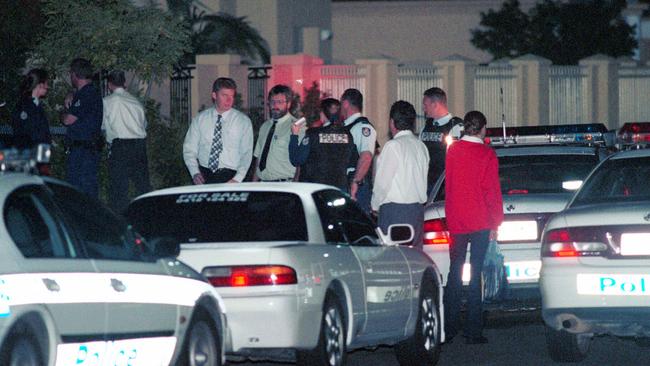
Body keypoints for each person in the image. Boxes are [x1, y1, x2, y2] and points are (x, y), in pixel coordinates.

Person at [443, 110, 504, 345]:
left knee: (455, 272)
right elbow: (492, 191)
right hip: (480, 221)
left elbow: (449, 186)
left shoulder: (453, 151)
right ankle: (473, 330)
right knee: (475, 273)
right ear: (482, 129)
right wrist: (495, 222)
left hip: (457, 220)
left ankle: (449, 328)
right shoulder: (487, 154)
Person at [371, 101, 429, 248]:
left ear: (392, 122)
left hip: (395, 212)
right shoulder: (421, 146)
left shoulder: (393, 146)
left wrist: (375, 206)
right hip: (417, 212)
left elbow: (382, 184)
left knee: (394, 260)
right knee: (414, 259)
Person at [183, 77, 253, 184]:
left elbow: (246, 154)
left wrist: (238, 178)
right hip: (204, 175)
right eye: (224, 95)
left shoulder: (243, 122)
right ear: (214, 95)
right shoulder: (200, 119)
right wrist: (195, 172)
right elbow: (189, 150)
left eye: (231, 96)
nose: (229, 100)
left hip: (231, 176)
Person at [102, 70, 150, 214]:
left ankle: (120, 222)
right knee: (143, 186)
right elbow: (144, 124)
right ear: (124, 83)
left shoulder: (107, 102)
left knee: (119, 189)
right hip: (139, 146)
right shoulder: (135, 102)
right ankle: (148, 217)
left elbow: (103, 126)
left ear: (109, 85)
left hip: (121, 146)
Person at [289, 98, 355, 190]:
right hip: (339, 190)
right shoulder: (348, 135)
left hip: (316, 190)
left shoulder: (313, 134)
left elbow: (296, 159)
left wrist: (294, 135)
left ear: (323, 114)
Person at [62, 58, 104, 198]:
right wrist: (72, 94)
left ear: (74, 74)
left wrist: (62, 113)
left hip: (84, 151)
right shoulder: (85, 93)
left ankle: (90, 219)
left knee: (83, 191)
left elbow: (68, 120)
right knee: (80, 190)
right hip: (83, 150)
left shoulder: (87, 94)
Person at [252, 85, 302, 182]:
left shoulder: (297, 126)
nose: (275, 106)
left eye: (279, 102)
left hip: (284, 185)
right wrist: (253, 185)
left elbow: (300, 162)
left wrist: (295, 186)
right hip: (262, 185)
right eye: (272, 102)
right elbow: (258, 158)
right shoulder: (265, 126)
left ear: (288, 104)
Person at [420, 87, 463, 194]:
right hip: (427, 184)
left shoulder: (456, 127)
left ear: (435, 104)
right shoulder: (426, 126)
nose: (423, 109)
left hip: (445, 187)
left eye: (425, 105)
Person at [340, 88, 377, 214]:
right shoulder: (346, 127)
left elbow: (366, 156)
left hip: (357, 186)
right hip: (346, 183)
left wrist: (356, 182)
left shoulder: (363, 127)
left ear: (345, 103)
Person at [12, 68, 52, 149]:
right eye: (46, 83)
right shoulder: (25, 106)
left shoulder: (35, 105)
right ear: (40, 84)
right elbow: (26, 135)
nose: (48, 87)